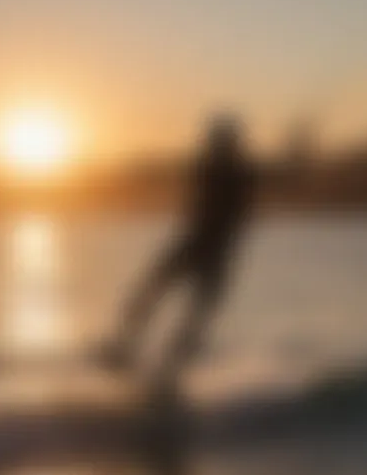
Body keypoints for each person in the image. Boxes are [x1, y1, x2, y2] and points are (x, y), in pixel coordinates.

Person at [104, 113, 255, 371]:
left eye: (215, 141)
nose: (209, 145)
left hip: (209, 250)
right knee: (158, 293)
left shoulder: (232, 173)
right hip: (199, 246)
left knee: (190, 311)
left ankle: (161, 364)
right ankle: (126, 349)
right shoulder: (215, 169)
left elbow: (237, 203)